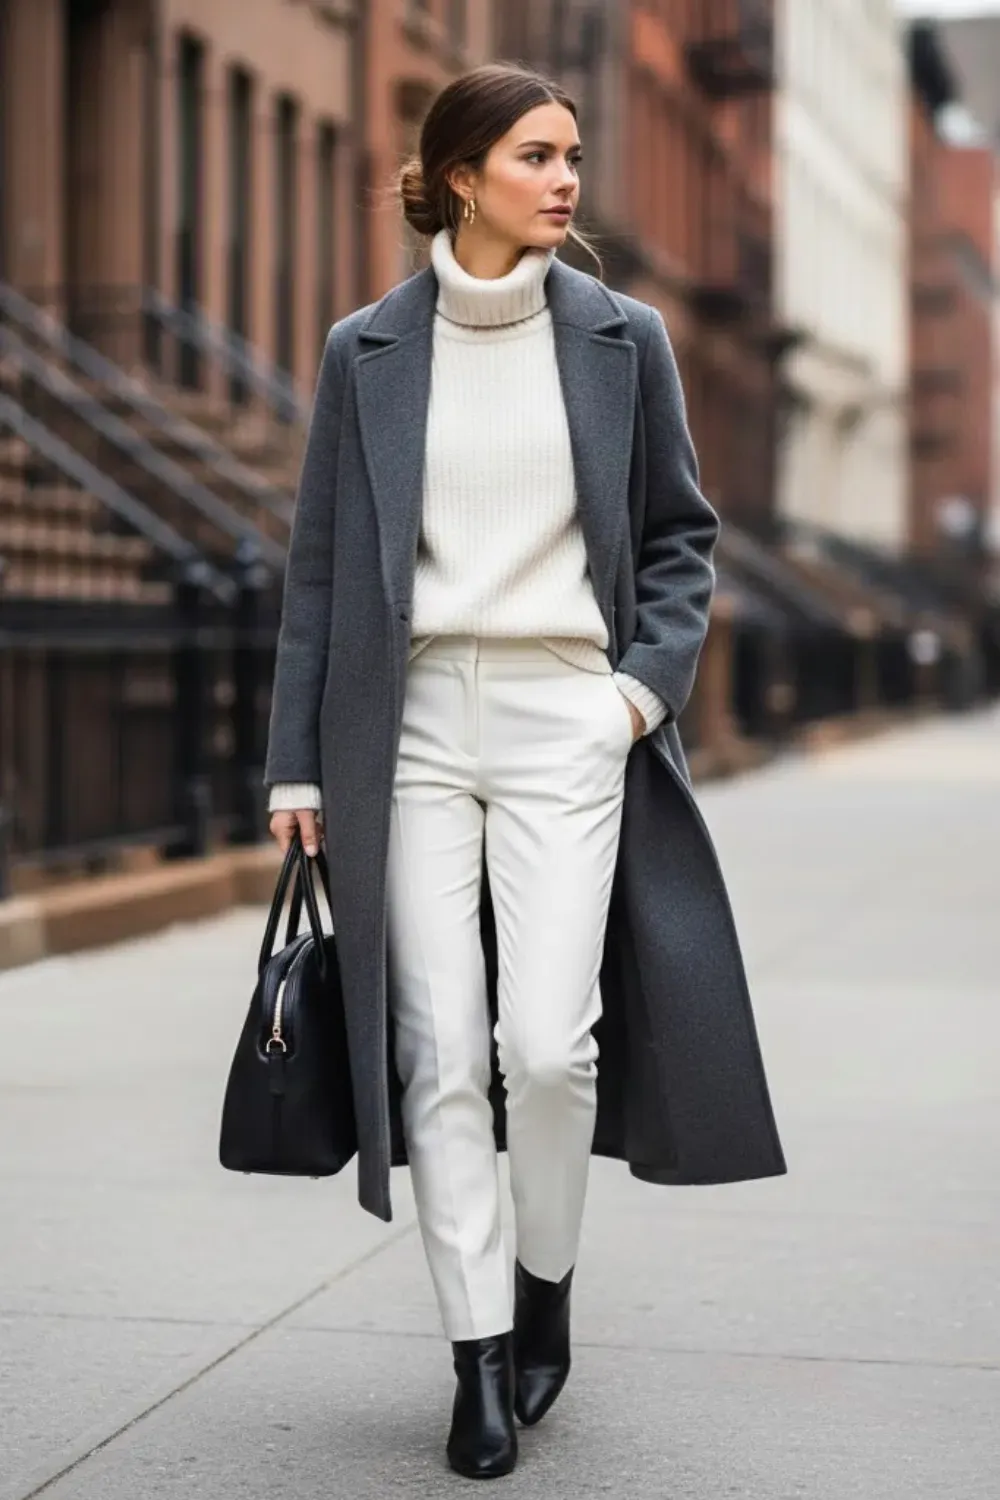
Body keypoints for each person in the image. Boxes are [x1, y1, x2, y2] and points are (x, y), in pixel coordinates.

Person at [265, 63, 785, 1481]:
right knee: (439, 1047)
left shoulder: (628, 339)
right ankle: (478, 1356)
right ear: (457, 175)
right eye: (536, 156)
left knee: (547, 1050)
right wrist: (293, 766)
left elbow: (683, 537)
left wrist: (634, 695)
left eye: (569, 155)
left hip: (571, 719)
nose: (566, 179)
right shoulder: (364, 349)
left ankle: (547, 1281)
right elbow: (317, 572)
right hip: (413, 730)